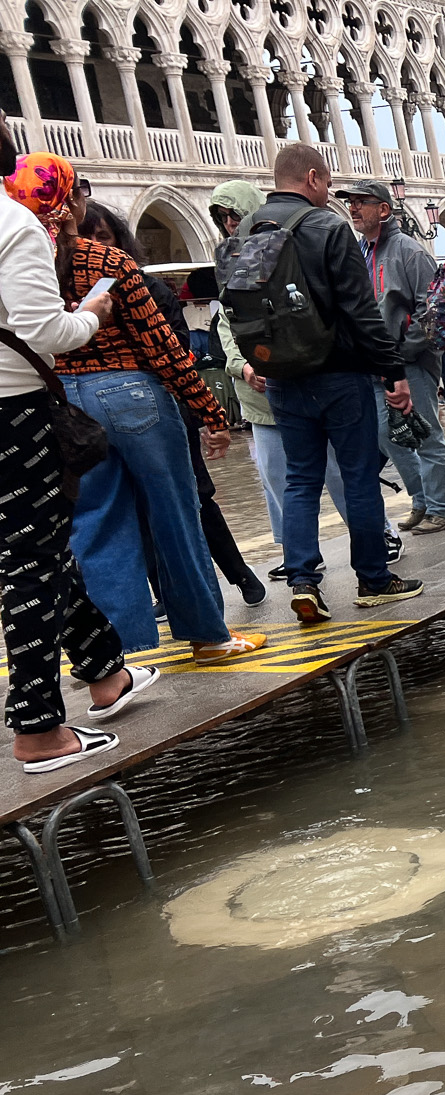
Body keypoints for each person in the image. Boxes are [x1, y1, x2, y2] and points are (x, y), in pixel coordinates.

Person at [7, 153, 264, 663]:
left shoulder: (21, 266)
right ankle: (208, 637)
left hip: (66, 403)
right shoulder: (106, 261)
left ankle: (121, 654)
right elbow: (163, 348)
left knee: (97, 526)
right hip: (131, 395)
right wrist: (210, 412)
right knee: (175, 516)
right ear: (69, 199)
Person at [0, 136, 160, 770]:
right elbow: (47, 333)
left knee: (33, 544)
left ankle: (103, 671)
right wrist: (92, 309)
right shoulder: (14, 226)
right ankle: (39, 728)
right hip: (11, 411)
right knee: (31, 560)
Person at [245, 143, 422, 623]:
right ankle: (374, 579)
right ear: (314, 178)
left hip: (282, 376)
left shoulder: (249, 229)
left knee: (301, 478)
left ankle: (304, 580)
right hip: (339, 373)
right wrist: (392, 371)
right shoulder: (328, 227)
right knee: (358, 475)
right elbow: (361, 310)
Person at [79, 198, 266, 605]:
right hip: (100, 421)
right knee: (133, 507)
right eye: (87, 239)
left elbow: (175, 352)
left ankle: (238, 575)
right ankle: (162, 591)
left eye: (104, 238)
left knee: (194, 497)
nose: (97, 248)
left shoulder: (150, 290)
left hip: (162, 408)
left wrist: (208, 415)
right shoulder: (67, 300)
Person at [339, 178, 445, 535]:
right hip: (376, 363)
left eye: (362, 201)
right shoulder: (361, 251)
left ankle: (442, 507)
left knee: (425, 434)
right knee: (387, 435)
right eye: (352, 202)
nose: (354, 208)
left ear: (384, 209)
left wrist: (404, 351)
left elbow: (430, 308)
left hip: (411, 361)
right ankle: (422, 500)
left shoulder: (410, 250)